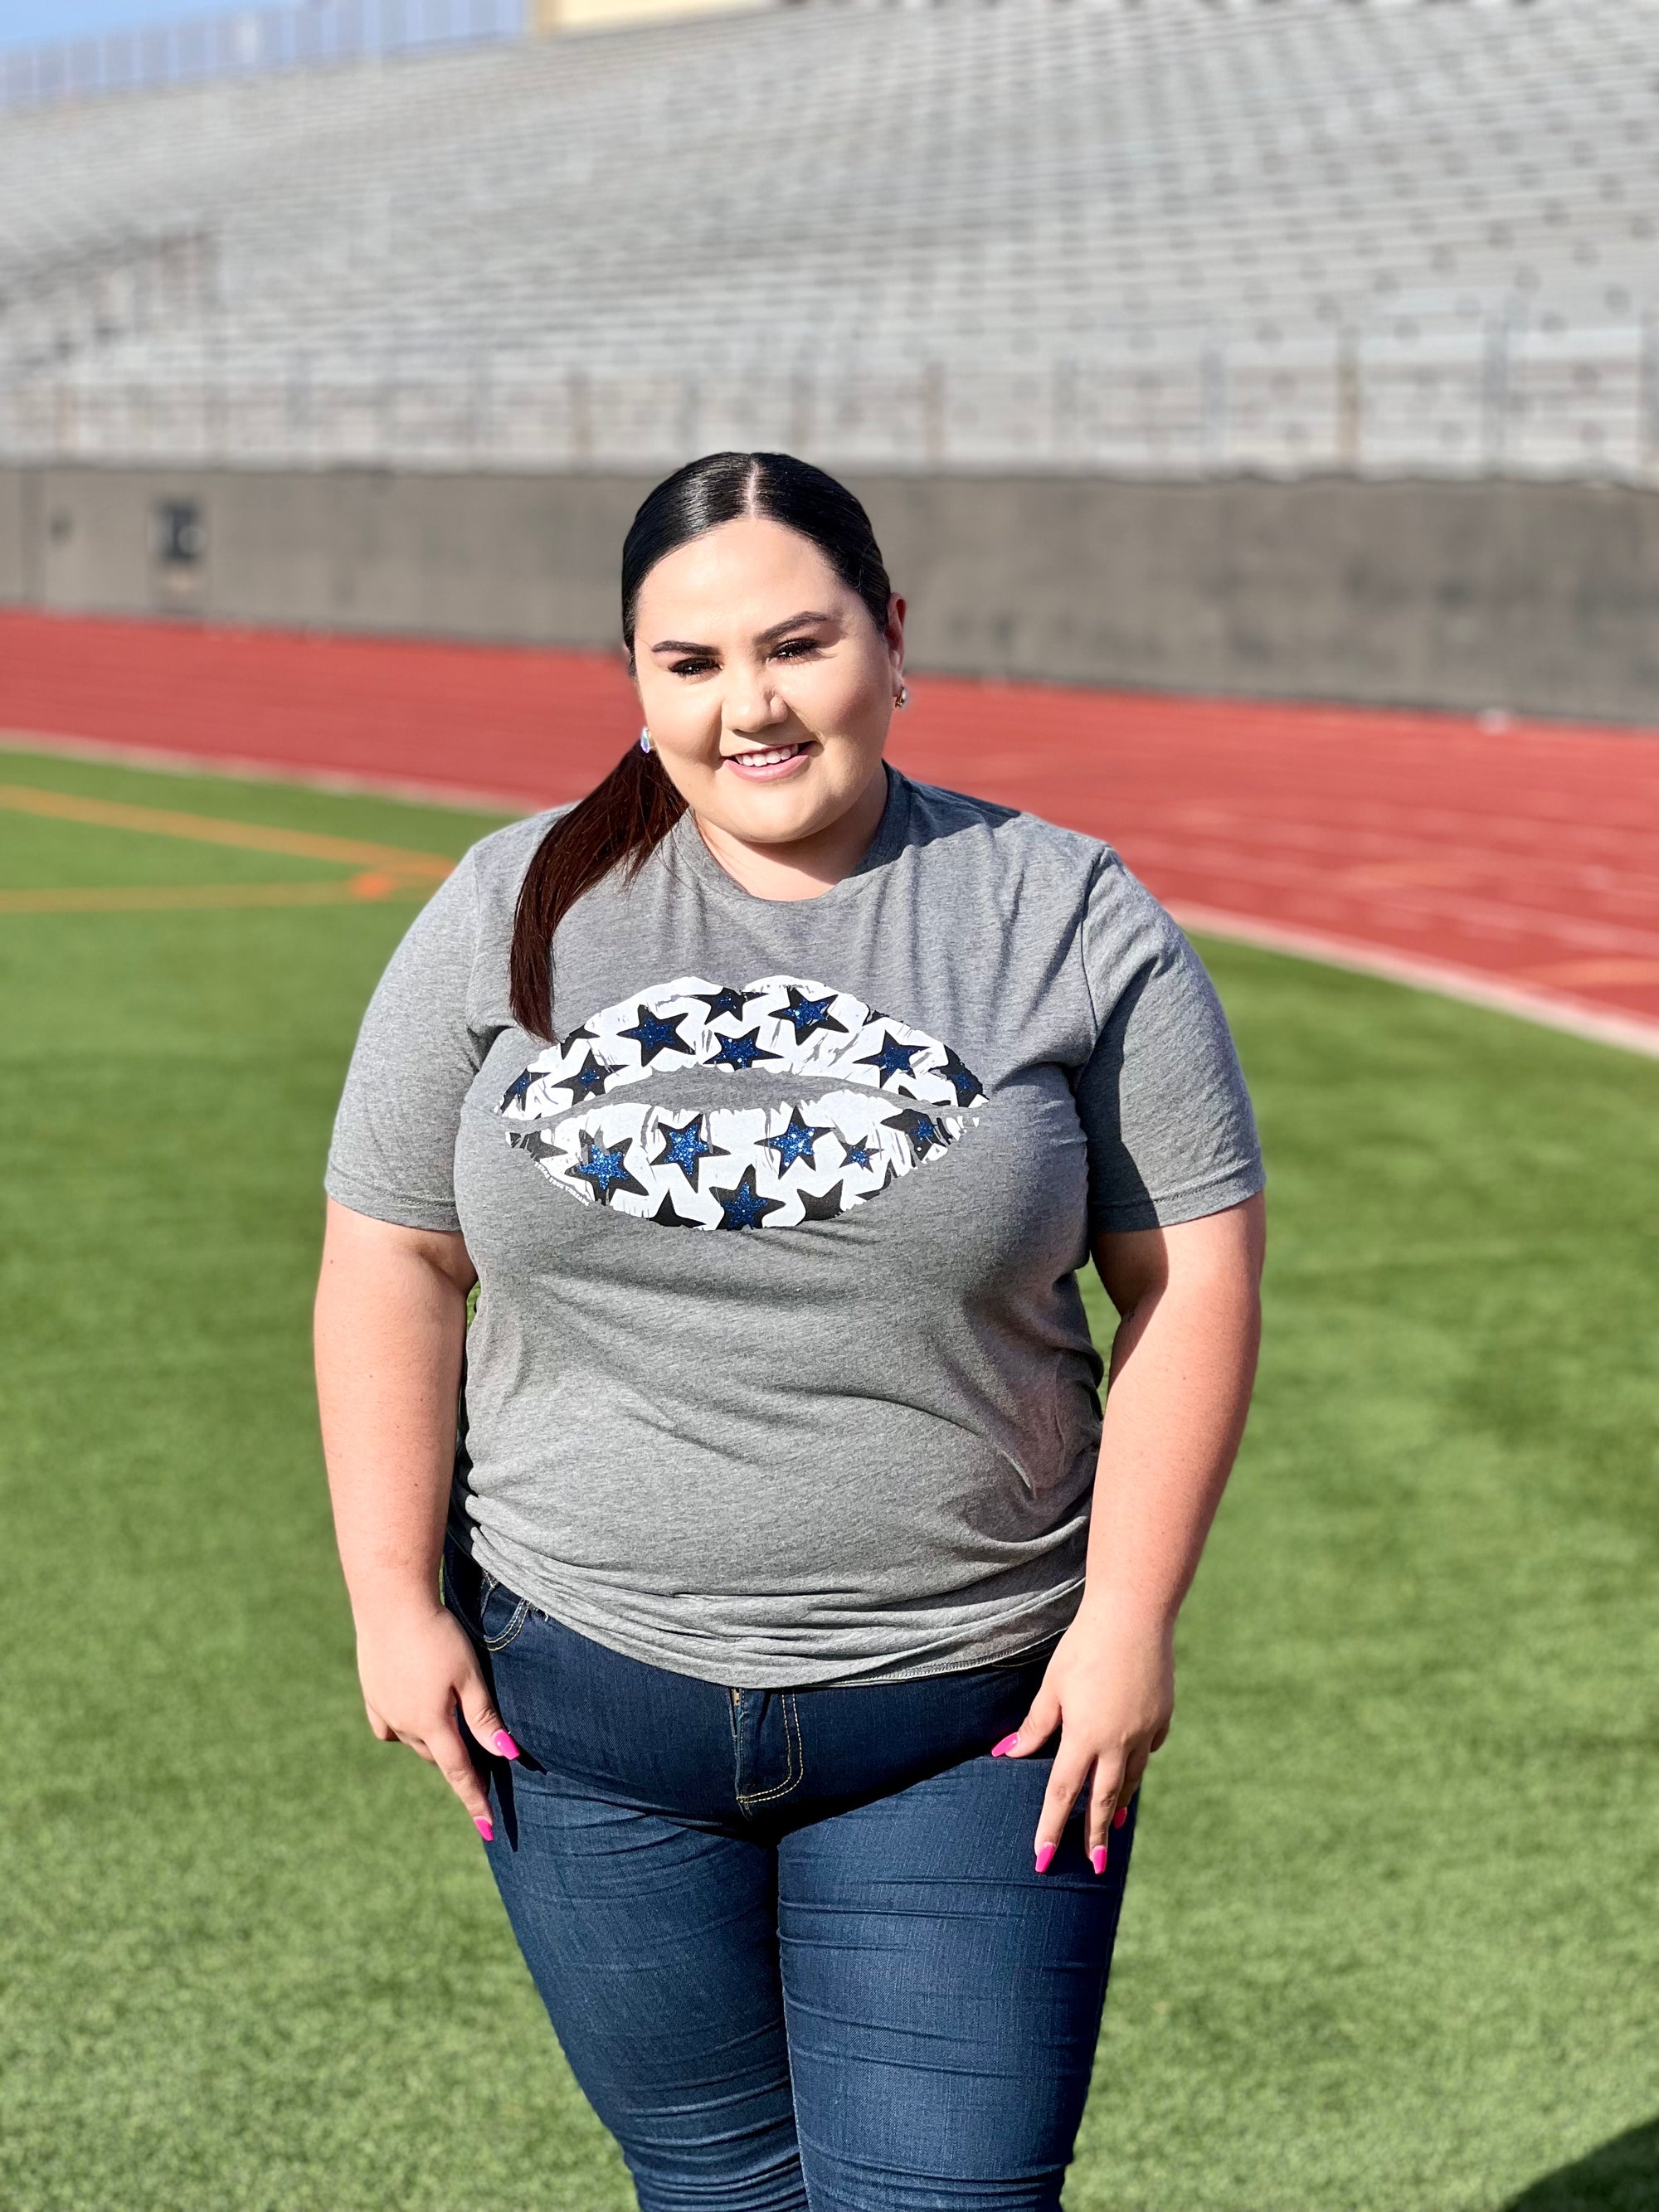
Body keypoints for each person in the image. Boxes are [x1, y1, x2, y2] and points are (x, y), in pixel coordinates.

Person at [314, 450, 1266, 2212]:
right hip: (581, 1715)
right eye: (686, 662)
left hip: (973, 1723)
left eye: (796, 644)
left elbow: (1191, 1274)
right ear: (636, 684)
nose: (747, 703)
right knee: (714, 2188)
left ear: (892, 640)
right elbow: (388, 1249)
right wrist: (387, 1592)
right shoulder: (509, 903)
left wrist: (1129, 1613)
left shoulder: (1057, 907)